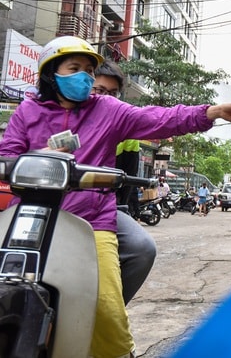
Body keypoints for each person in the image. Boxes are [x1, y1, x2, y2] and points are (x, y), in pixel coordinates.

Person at [0, 35, 231, 358]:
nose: (85, 77)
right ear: (51, 73)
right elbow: (5, 157)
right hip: (31, 217)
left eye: (89, 70)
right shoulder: (27, 112)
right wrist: (39, 156)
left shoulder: (108, 110)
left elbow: (160, 118)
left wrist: (211, 112)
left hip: (91, 222)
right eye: (75, 68)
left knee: (108, 312)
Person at [92, 60, 157, 305]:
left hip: (101, 204)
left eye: (112, 93)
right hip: (53, 201)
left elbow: (127, 177)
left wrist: (122, 206)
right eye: (99, 91)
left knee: (142, 248)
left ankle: (111, 311)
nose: (105, 98)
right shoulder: (48, 110)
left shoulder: (123, 123)